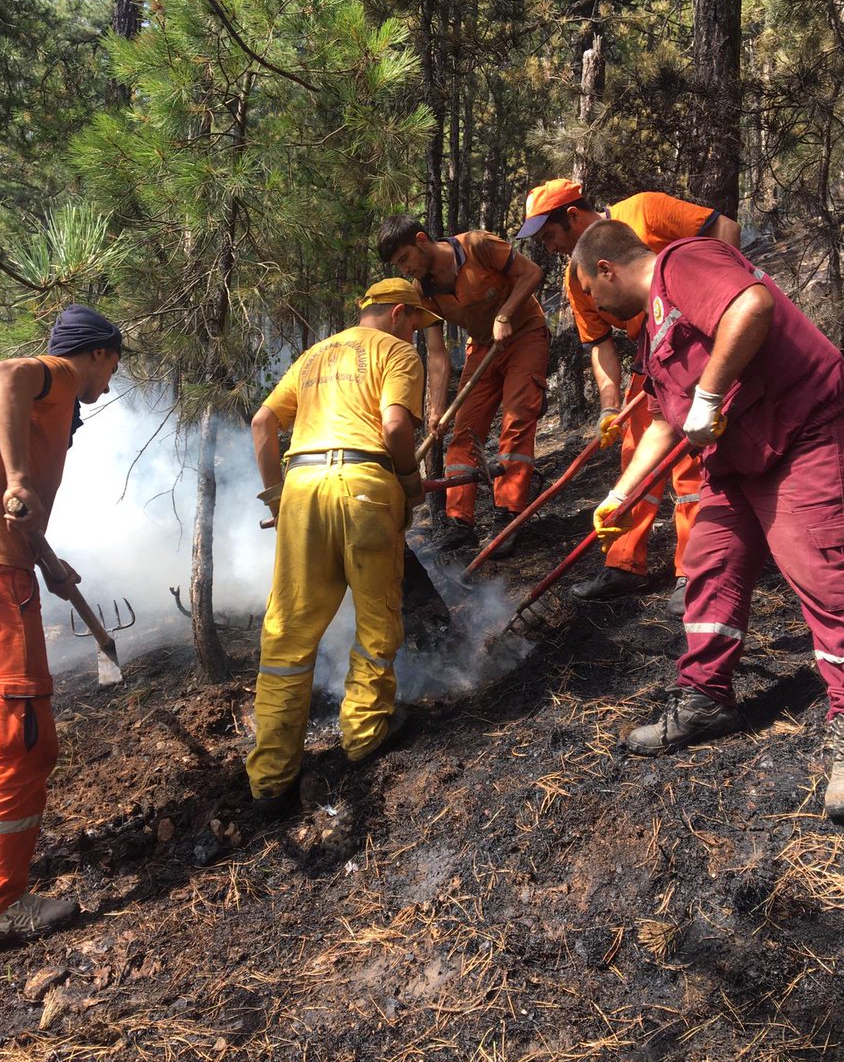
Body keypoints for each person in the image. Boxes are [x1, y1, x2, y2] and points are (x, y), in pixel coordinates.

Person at [571, 221, 844, 819]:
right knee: (709, 569)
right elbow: (667, 424)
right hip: (735, 459)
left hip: (801, 433)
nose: (596, 307)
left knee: (822, 576)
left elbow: (752, 304)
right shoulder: (652, 338)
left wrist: (710, 394)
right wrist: (620, 494)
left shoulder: (683, 262)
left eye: (590, 292)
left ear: (606, 270)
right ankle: (705, 698)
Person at [0, 305, 122, 953]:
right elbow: (8, 371)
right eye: (112, 366)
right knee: (25, 744)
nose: (107, 385)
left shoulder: (46, 411)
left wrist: (47, 561)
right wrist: (21, 479)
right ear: (99, 354)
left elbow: (6, 510)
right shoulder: (53, 377)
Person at [246, 278, 432, 815]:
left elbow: (262, 423)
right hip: (366, 487)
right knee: (377, 618)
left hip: (301, 487)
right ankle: (365, 735)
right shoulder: (397, 353)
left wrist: (277, 500)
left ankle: (270, 778)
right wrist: (411, 483)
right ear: (400, 314)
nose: (416, 334)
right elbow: (395, 427)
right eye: (416, 324)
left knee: (287, 632)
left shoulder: (313, 355)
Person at [517, 179, 741, 615]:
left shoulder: (644, 210)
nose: (550, 248)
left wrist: (718, 309)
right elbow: (599, 343)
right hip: (650, 359)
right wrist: (608, 405)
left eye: (550, 236)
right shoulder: (574, 278)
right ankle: (624, 564)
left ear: (574, 217)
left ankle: (691, 572)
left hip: (696, 350)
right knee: (636, 456)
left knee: (690, 467)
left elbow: (723, 230)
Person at [377, 215, 548, 557]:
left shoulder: (477, 246)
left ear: (422, 240)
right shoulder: (422, 290)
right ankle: (459, 522)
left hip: (526, 333)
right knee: (462, 431)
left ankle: (508, 515)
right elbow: (437, 353)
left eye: (405, 259)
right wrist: (435, 407)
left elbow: (531, 273)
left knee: (516, 419)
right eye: (398, 265)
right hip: (483, 347)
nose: (405, 269)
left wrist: (505, 315)